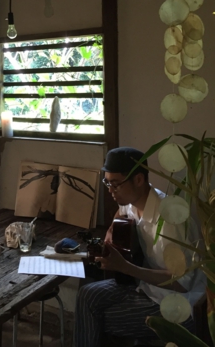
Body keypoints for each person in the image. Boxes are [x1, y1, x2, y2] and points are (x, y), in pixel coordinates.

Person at [74, 146, 206, 347]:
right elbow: (120, 214)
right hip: (146, 285)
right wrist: (111, 233)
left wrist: (125, 267)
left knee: (100, 317)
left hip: (180, 301)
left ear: (138, 179)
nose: (110, 190)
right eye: (107, 183)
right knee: (87, 295)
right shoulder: (130, 201)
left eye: (115, 184)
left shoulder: (170, 219)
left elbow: (180, 283)